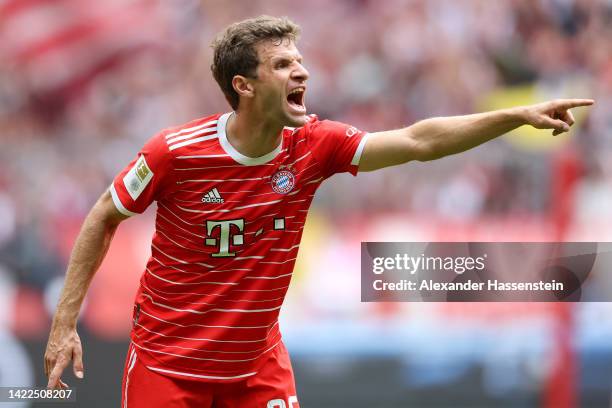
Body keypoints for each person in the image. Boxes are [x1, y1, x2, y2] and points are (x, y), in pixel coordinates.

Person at [44, 15, 593, 407]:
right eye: (283, 64)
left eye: (301, 61)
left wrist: (514, 115)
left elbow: (420, 140)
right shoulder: (175, 152)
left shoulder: (314, 144)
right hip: (169, 367)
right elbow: (103, 215)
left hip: (256, 369)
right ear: (244, 85)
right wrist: (64, 323)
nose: (302, 72)